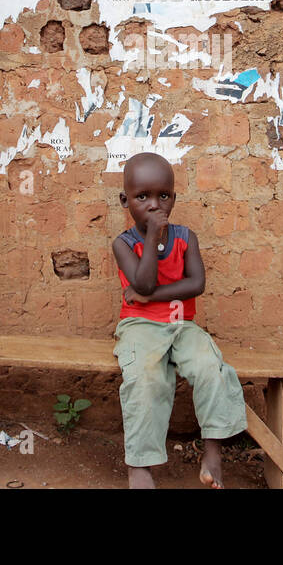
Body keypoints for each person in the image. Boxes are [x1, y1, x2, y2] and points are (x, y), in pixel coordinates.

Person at [111, 152, 247, 488]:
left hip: (183, 326)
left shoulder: (186, 238)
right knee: (145, 380)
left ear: (174, 198)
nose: (154, 205)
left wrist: (149, 296)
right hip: (139, 327)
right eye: (142, 197)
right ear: (125, 200)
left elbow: (195, 285)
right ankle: (140, 465)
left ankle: (213, 452)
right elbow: (141, 282)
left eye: (163, 196)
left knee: (210, 368)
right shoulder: (123, 244)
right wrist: (153, 237)